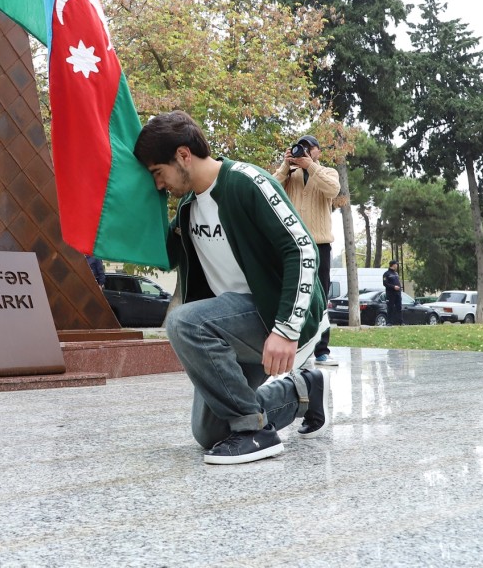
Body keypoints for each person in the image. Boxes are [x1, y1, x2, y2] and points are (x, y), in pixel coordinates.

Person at [133, 110, 330, 466]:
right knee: (209, 433)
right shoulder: (189, 208)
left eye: (157, 174)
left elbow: (302, 248)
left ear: (182, 155)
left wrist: (287, 328)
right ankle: (303, 391)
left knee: (183, 322)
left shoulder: (247, 181)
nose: (159, 185)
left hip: (278, 315)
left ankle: (256, 433)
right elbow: (162, 254)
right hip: (231, 327)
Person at [274, 134, 340, 364]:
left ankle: (322, 350)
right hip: (293, 246)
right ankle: (297, 348)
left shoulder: (327, 172)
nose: (303, 151)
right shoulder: (289, 176)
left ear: (317, 152)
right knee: (291, 296)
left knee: (320, 296)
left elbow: (332, 190)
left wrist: (310, 166)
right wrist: (285, 165)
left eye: (308, 147)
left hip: (320, 244)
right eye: (299, 147)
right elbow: (270, 189)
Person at [383, 260, 403, 325]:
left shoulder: (396, 273)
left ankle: (399, 322)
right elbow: (385, 284)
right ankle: (389, 322)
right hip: (390, 294)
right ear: (393, 265)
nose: (397, 266)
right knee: (390, 308)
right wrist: (393, 287)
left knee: (399, 307)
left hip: (397, 293)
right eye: (396, 264)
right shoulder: (386, 274)